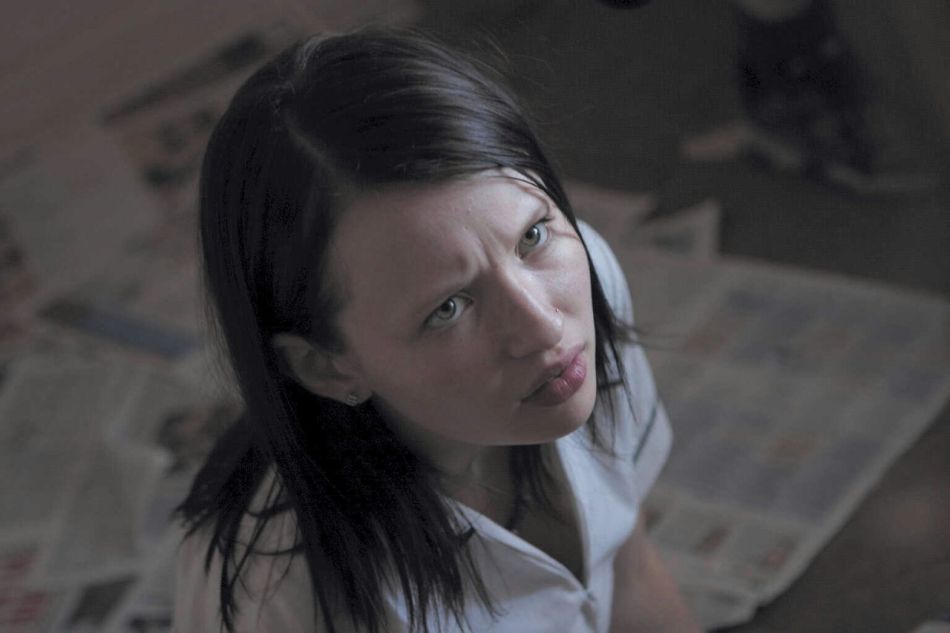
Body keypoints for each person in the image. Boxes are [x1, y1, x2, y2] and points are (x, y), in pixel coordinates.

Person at [173, 28, 700, 633]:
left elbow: (628, 569)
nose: (544, 325)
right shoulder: (280, 599)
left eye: (530, 236)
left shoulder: (585, 277)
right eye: (448, 308)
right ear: (329, 365)